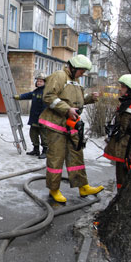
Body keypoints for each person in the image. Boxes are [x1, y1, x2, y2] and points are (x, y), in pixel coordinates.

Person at [38, 55, 104, 203]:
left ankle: (83, 186)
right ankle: (54, 189)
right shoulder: (59, 76)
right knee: (56, 157)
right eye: (82, 71)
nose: (83, 74)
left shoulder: (75, 81)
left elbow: (76, 100)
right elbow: (48, 97)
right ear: (73, 68)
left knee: (76, 155)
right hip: (56, 125)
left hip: (71, 125)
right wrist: (66, 109)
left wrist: (89, 98)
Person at [14, 72, 48, 159]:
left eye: (41, 81)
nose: (39, 83)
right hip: (34, 118)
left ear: (45, 82)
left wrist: (43, 118)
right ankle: (36, 150)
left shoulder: (46, 93)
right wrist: (19, 97)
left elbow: (45, 107)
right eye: (38, 81)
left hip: (42, 119)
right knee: (33, 134)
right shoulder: (36, 92)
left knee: (44, 135)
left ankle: (45, 151)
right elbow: (28, 95)